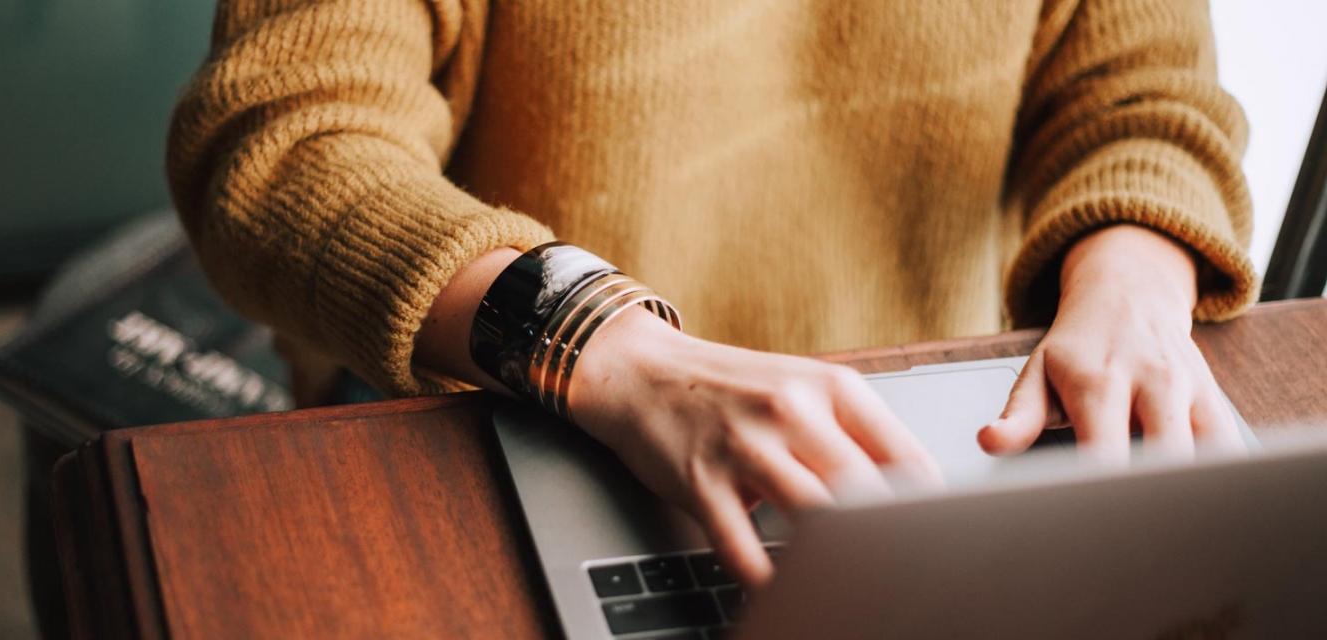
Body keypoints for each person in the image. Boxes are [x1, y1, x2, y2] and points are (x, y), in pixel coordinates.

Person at [167, 0, 1257, 587]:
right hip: (511, 421)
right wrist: (609, 346)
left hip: (928, 448)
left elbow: (1147, 93)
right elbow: (283, 143)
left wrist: (1134, 274)